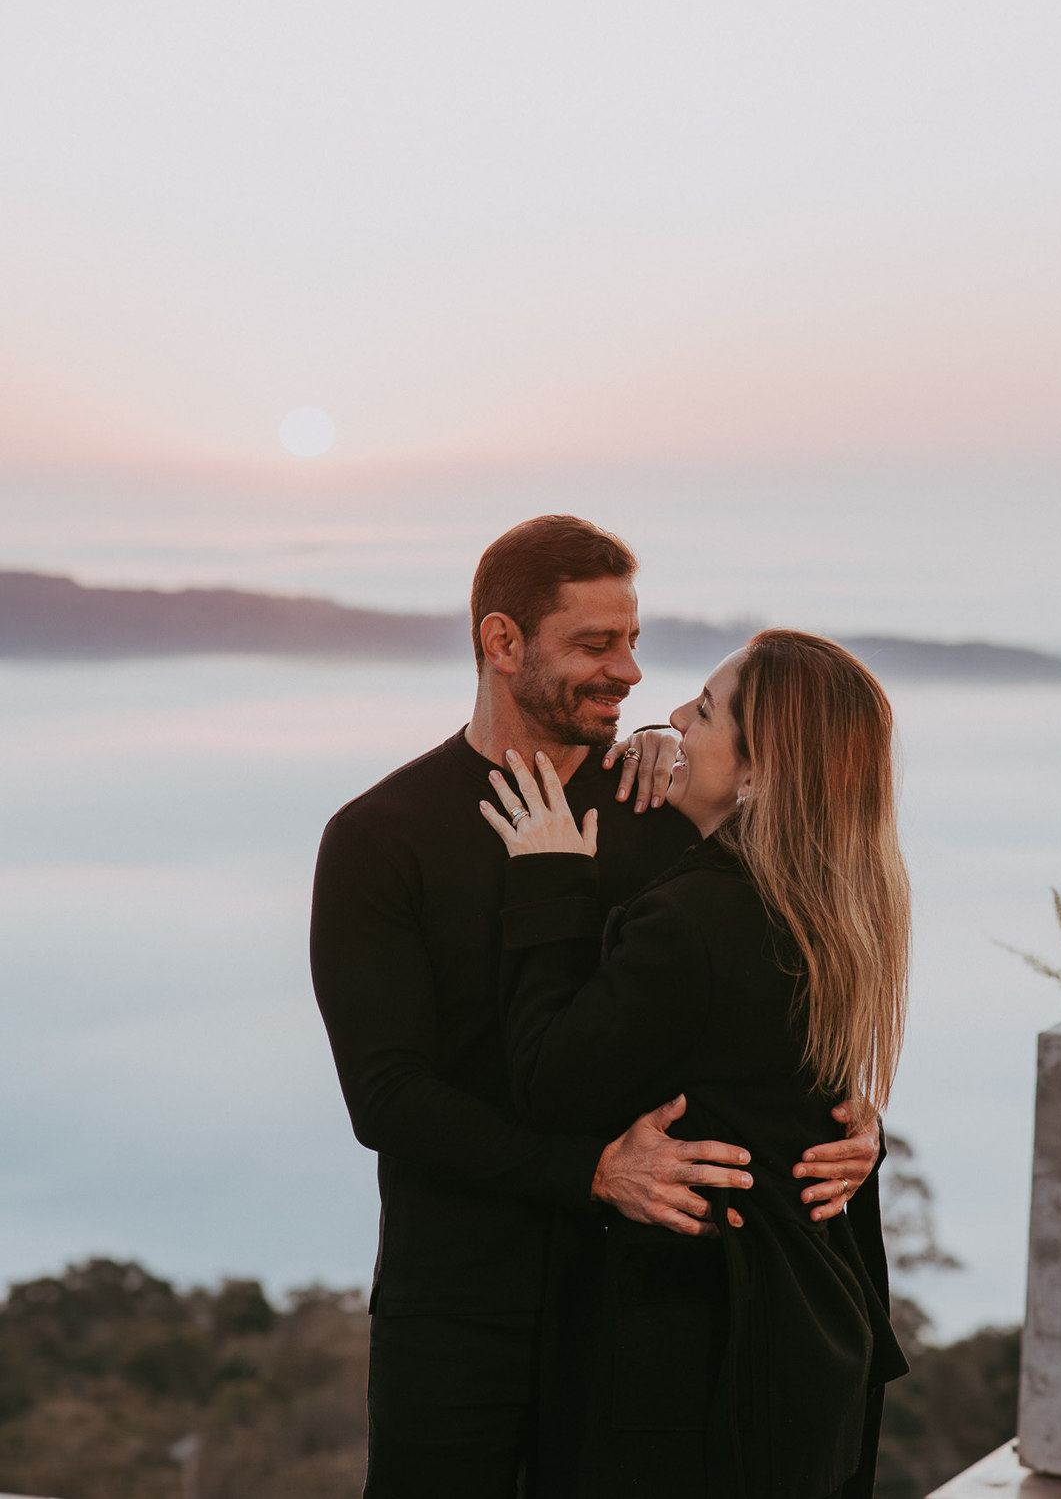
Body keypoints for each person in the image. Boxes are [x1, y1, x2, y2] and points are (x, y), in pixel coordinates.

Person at [311, 518, 881, 1499]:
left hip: (639, 1315)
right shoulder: (379, 837)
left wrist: (852, 1118)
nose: (629, 673)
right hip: (458, 1303)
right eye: (594, 644)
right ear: (501, 643)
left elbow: (759, 991)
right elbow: (388, 1096)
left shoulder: (667, 815)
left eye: (633, 641)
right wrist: (589, 1173)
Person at [483, 628, 911, 1498]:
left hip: (703, 1368)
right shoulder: (843, 903)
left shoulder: (696, 922)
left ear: (757, 773)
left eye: (705, 712)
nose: (673, 715)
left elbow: (546, 1082)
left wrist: (549, 880)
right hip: (821, 1334)